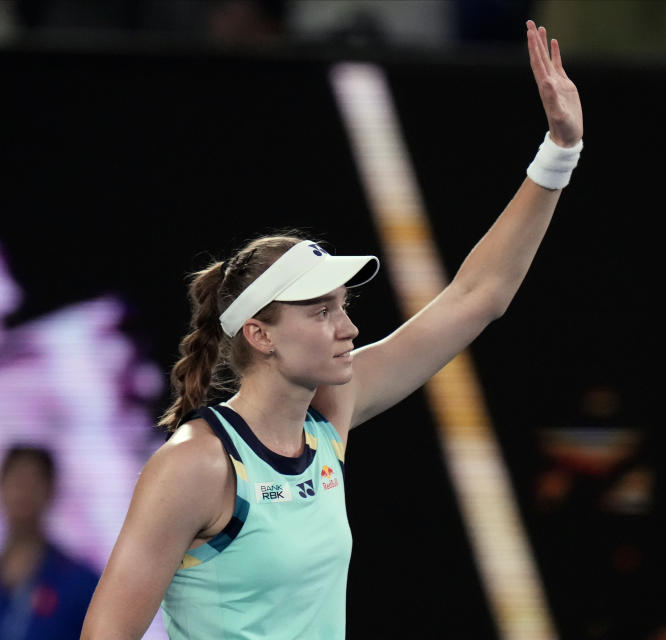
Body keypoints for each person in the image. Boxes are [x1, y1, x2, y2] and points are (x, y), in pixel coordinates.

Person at [81, 19, 583, 639]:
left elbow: (477, 297)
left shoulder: (326, 422)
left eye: (342, 306)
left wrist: (559, 151)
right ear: (261, 335)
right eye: (320, 313)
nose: (346, 328)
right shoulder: (193, 466)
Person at [0, 445, 100, 640]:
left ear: (51, 491)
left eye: (32, 483)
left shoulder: (79, 582)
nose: (23, 494)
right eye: (17, 482)